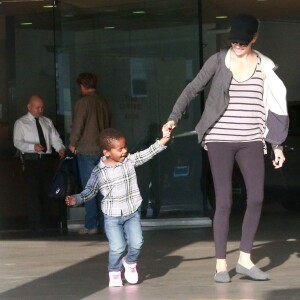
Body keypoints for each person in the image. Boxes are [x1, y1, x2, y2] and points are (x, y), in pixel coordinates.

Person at [164, 14, 289, 283]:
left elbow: (276, 107)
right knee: (225, 201)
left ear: (254, 38)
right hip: (219, 139)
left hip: (252, 140)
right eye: (234, 42)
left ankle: (245, 259)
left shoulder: (265, 67)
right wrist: (174, 117)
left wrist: (276, 145)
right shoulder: (219, 60)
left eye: (243, 42)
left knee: (256, 198)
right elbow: (193, 88)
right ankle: (221, 264)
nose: (237, 46)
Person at [65, 127, 171, 287]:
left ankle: (130, 262)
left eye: (125, 147)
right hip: (112, 216)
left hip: (131, 212)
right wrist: (77, 198)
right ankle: (114, 270)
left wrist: (163, 140)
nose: (124, 151)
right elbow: (90, 191)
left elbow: (147, 154)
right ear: (106, 152)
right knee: (118, 247)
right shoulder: (99, 172)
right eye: (120, 149)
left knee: (137, 243)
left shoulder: (129, 161)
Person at [13, 95, 65, 231]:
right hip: (32, 160)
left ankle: (46, 221)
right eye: (37, 107)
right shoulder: (21, 123)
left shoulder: (46, 121)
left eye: (42, 107)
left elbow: (55, 138)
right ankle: (35, 224)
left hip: (46, 161)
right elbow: (17, 142)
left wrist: (60, 148)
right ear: (29, 107)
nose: (40, 110)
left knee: (47, 191)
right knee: (34, 193)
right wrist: (32, 147)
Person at [68, 72, 112, 235]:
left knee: (89, 189)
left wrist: (72, 144)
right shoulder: (103, 102)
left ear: (82, 86)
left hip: (86, 150)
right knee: (102, 189)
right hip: (103, 151)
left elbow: (78, 125)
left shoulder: (83, 103)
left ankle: (91, 224)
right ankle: (104, 223)